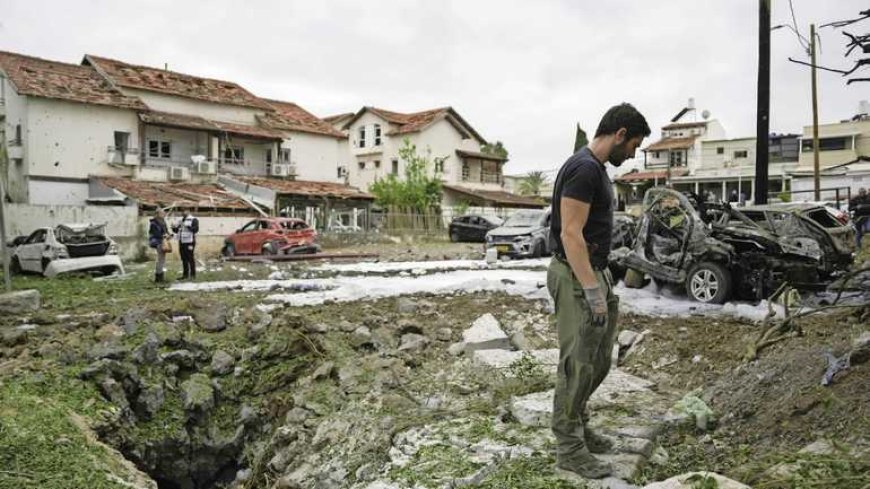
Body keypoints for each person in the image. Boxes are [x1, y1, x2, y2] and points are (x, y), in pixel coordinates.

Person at [548, 103, 650, 479]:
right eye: (634, 145)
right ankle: (569, 447)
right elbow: (570, 233)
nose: (633, 154)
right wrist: (591, 290)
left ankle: (579, 425)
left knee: (599, 360)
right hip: (577, 278)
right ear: (620, 134)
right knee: (577, 365)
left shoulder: (597, 170)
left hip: (594, 274)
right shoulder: (584, 169)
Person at [173, 207, 199, 280]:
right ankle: (185, 274)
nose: (183, 213)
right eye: (182, 211)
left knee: (190, 257)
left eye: (184, 211)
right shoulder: (181, 220)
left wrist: (187, 227)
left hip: (190, 242)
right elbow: (177, 231)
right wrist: (174, 228)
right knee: (183, 258)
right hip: (182, 241)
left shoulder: (194, 219)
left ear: (188, 211)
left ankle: (193, 274)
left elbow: (196, 230)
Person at [148, 208, 170, 283]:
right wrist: (164, 236)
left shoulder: (163, 222)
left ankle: (160, 276)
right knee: (160, 259)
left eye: (164, 213)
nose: (163, 214)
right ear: (157, 214)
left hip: (163, 241)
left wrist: (168, 235)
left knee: (162, 259)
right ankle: (158, 277)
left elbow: (166, 231)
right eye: (162, 213)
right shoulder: (153, 223)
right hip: (158, 242)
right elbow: (156, 234)